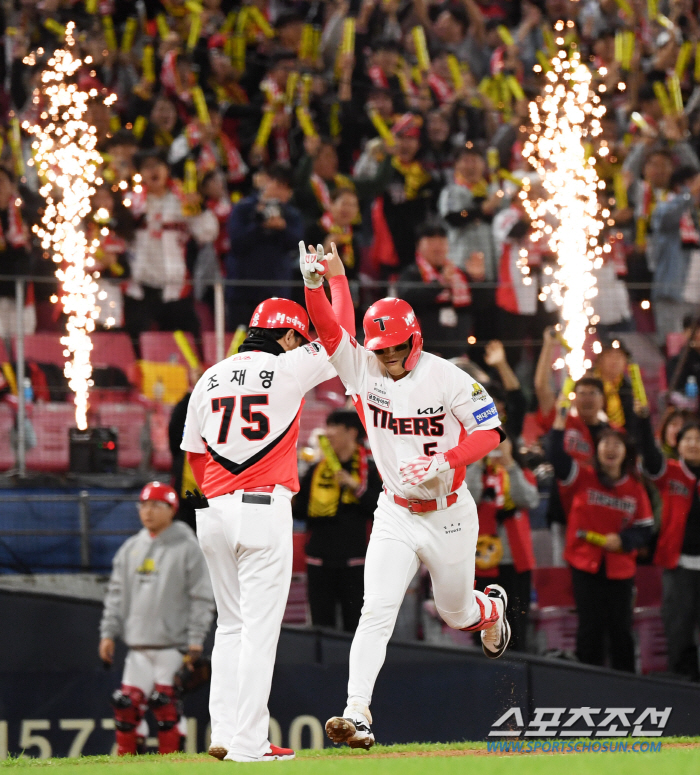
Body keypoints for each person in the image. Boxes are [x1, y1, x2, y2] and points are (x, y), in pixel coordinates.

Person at [300, 242, 509, 750]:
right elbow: (330, 332)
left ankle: (493, 611)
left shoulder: (446, 375)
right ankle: (357, 713)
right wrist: (314, 286)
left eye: (396, 348)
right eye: (381, 349)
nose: (389, 357)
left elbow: (492, 432)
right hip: (395, 511)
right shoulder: (363, 369)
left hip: (449, 512)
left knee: (455, 613)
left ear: (414, 339)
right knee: (377, 611)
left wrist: (447, 459)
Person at [181, 250, 356, 762]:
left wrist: (211, 500)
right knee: (258, 630)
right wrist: (329, 284)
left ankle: (223, 732)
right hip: (262, 507)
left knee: (230, 626)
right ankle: (250, 744)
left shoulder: (208, 377)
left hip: (210, 509)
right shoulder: (287, 368)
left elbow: (192, 456)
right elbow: (339, 333)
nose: (302, 344)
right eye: (298, 337)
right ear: (285, 337)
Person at [98, 482, 215, 756]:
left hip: (172, 646)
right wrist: (108, 633)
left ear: (172, 509)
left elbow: (202, 596)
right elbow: (115, 594)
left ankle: (171, 764)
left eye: (155, 505)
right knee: (126, 706)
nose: (147, 511)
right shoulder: (130, 548)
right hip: (138, 645)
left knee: (166, 706)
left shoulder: (188, 547)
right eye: (143, 505)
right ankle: (129, 765)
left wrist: (196, 639)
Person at [549, 404, 653, 672]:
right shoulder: (581, 477)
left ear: (625, 453)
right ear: (597, 449)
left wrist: (624, 541)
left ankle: (627, 686)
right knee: (590, 628)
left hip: (620, 569)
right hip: (585, 565)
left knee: (620, 629)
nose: (610, 448)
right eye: (605, 443)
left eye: (617, 444)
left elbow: (645, 528)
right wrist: (560, 421)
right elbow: (557, 457)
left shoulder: (635, 489)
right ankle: (589, 684)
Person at [293, 409, 382, 633]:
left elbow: (381, 510)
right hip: (318, 561)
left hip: (355, 563)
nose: (328, 434)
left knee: (357, 626)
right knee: (321, 628)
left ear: (352, 433)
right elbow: (300, 513)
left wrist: (355, 487)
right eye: (327, 426)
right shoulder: (316, 470)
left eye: (334, 427)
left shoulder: (370, 470)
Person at [123, 148, 218, 352]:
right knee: (134, 345)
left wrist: (199, 208)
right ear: (139, 173)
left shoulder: (182, 199)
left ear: (167, 170)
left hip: (175, 287)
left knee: (192, 342)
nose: (153, 171)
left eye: (157, 165)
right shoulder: (130, 202)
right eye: (146, 167)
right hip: (139, 287)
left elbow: (208, 233)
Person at [638, 413, 700, 680]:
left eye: (699, 439)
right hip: (680, 566)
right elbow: (651, 458)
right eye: (689, 439)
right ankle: (682, 691)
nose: (695, 444)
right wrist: (641, 422)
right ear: (678, 444)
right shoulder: (671, 472)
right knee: (679, 630)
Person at [467, 435, 539, 651]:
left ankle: (516, 674)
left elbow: (529, 499)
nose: (495, 448)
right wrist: (479, 461)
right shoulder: (476, 473)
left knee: (515, 625)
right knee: (482, 626)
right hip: (481, 563)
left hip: (515, 562)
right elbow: (466, 496)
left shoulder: (521, 472)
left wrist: (509, 465)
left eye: (500, 442)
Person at [225, 164, 304, 328]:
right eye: (277, 185)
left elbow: (298, 243)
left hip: (277, 289)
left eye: (285, 188)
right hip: (243, 291)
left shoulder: (291, 214)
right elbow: (236, 243)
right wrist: (259, 224)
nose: (279, 192)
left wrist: (282, 228)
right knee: (241, 344)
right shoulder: (244, 209)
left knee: (275, 346)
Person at [395, 224, 472, 359]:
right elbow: (407, 296)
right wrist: (440, 284)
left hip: (460, 352)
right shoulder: (411, 273)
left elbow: (479, 305)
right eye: (431, 242)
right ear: (419, 246)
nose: (437, 247)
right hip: (423, 353)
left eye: (442, 241)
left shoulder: (459, 274)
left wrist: (479, 280)